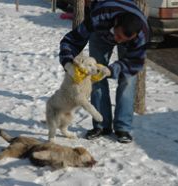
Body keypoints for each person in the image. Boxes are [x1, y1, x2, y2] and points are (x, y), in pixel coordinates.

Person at [59, 0, 150, 143]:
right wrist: (67, 63)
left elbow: (134, 63)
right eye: (118, 35)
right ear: (115, 23)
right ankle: (101, 125)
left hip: (125, 37)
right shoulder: (99, 16)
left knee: (128, 80)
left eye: (123, 39)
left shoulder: (142, 35)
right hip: (101, 33)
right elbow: (71, 40)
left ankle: (123, 128)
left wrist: (110, 70)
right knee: (95, 77)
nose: (118, 41)